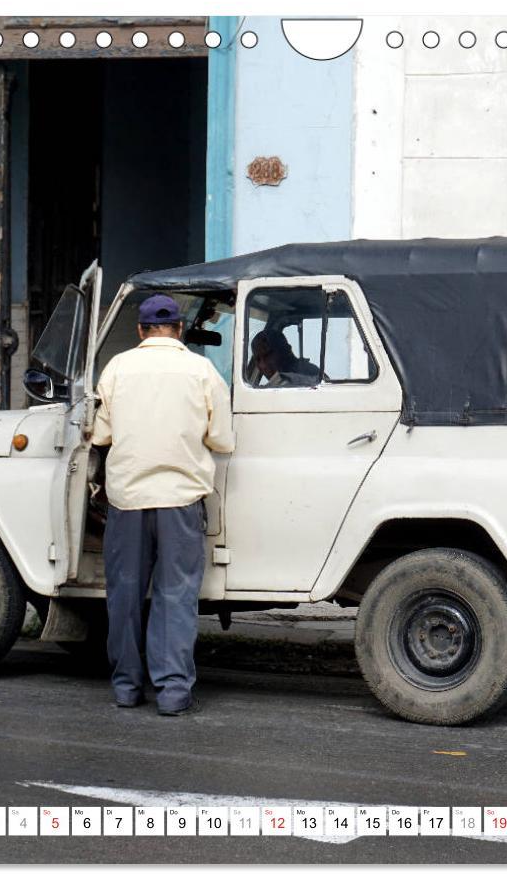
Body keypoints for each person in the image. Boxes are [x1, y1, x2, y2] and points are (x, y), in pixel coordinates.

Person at [91, 294, 235, 716]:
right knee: (176, 596)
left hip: (128, 499)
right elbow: (223, 439)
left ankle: (126, 687)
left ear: (140, 330)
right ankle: (172, 692)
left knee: (125, 594)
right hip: (180, 500)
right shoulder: (202, 370)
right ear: (178, 329)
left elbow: (101, 435)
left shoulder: (117, 368)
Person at [249, 327, 321, 387]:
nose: (263, 365)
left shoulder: (308, 373)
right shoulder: (275, 384)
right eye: (258, 360)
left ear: (285, 350)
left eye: (268, 356)